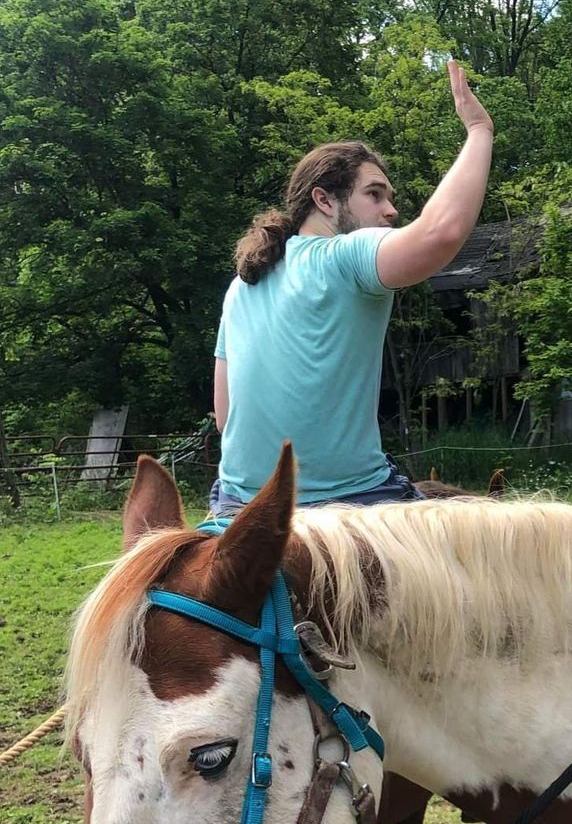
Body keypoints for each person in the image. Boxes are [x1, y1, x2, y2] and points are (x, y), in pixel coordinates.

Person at [211, 61, 493, 515]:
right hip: (347, 503)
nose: (391, 211)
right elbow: (439, 233)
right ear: (324, 200)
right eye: (375, 194)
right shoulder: (341, 256)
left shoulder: (241, 286)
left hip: (237, 507)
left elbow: (226, 418)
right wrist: (479, 130)